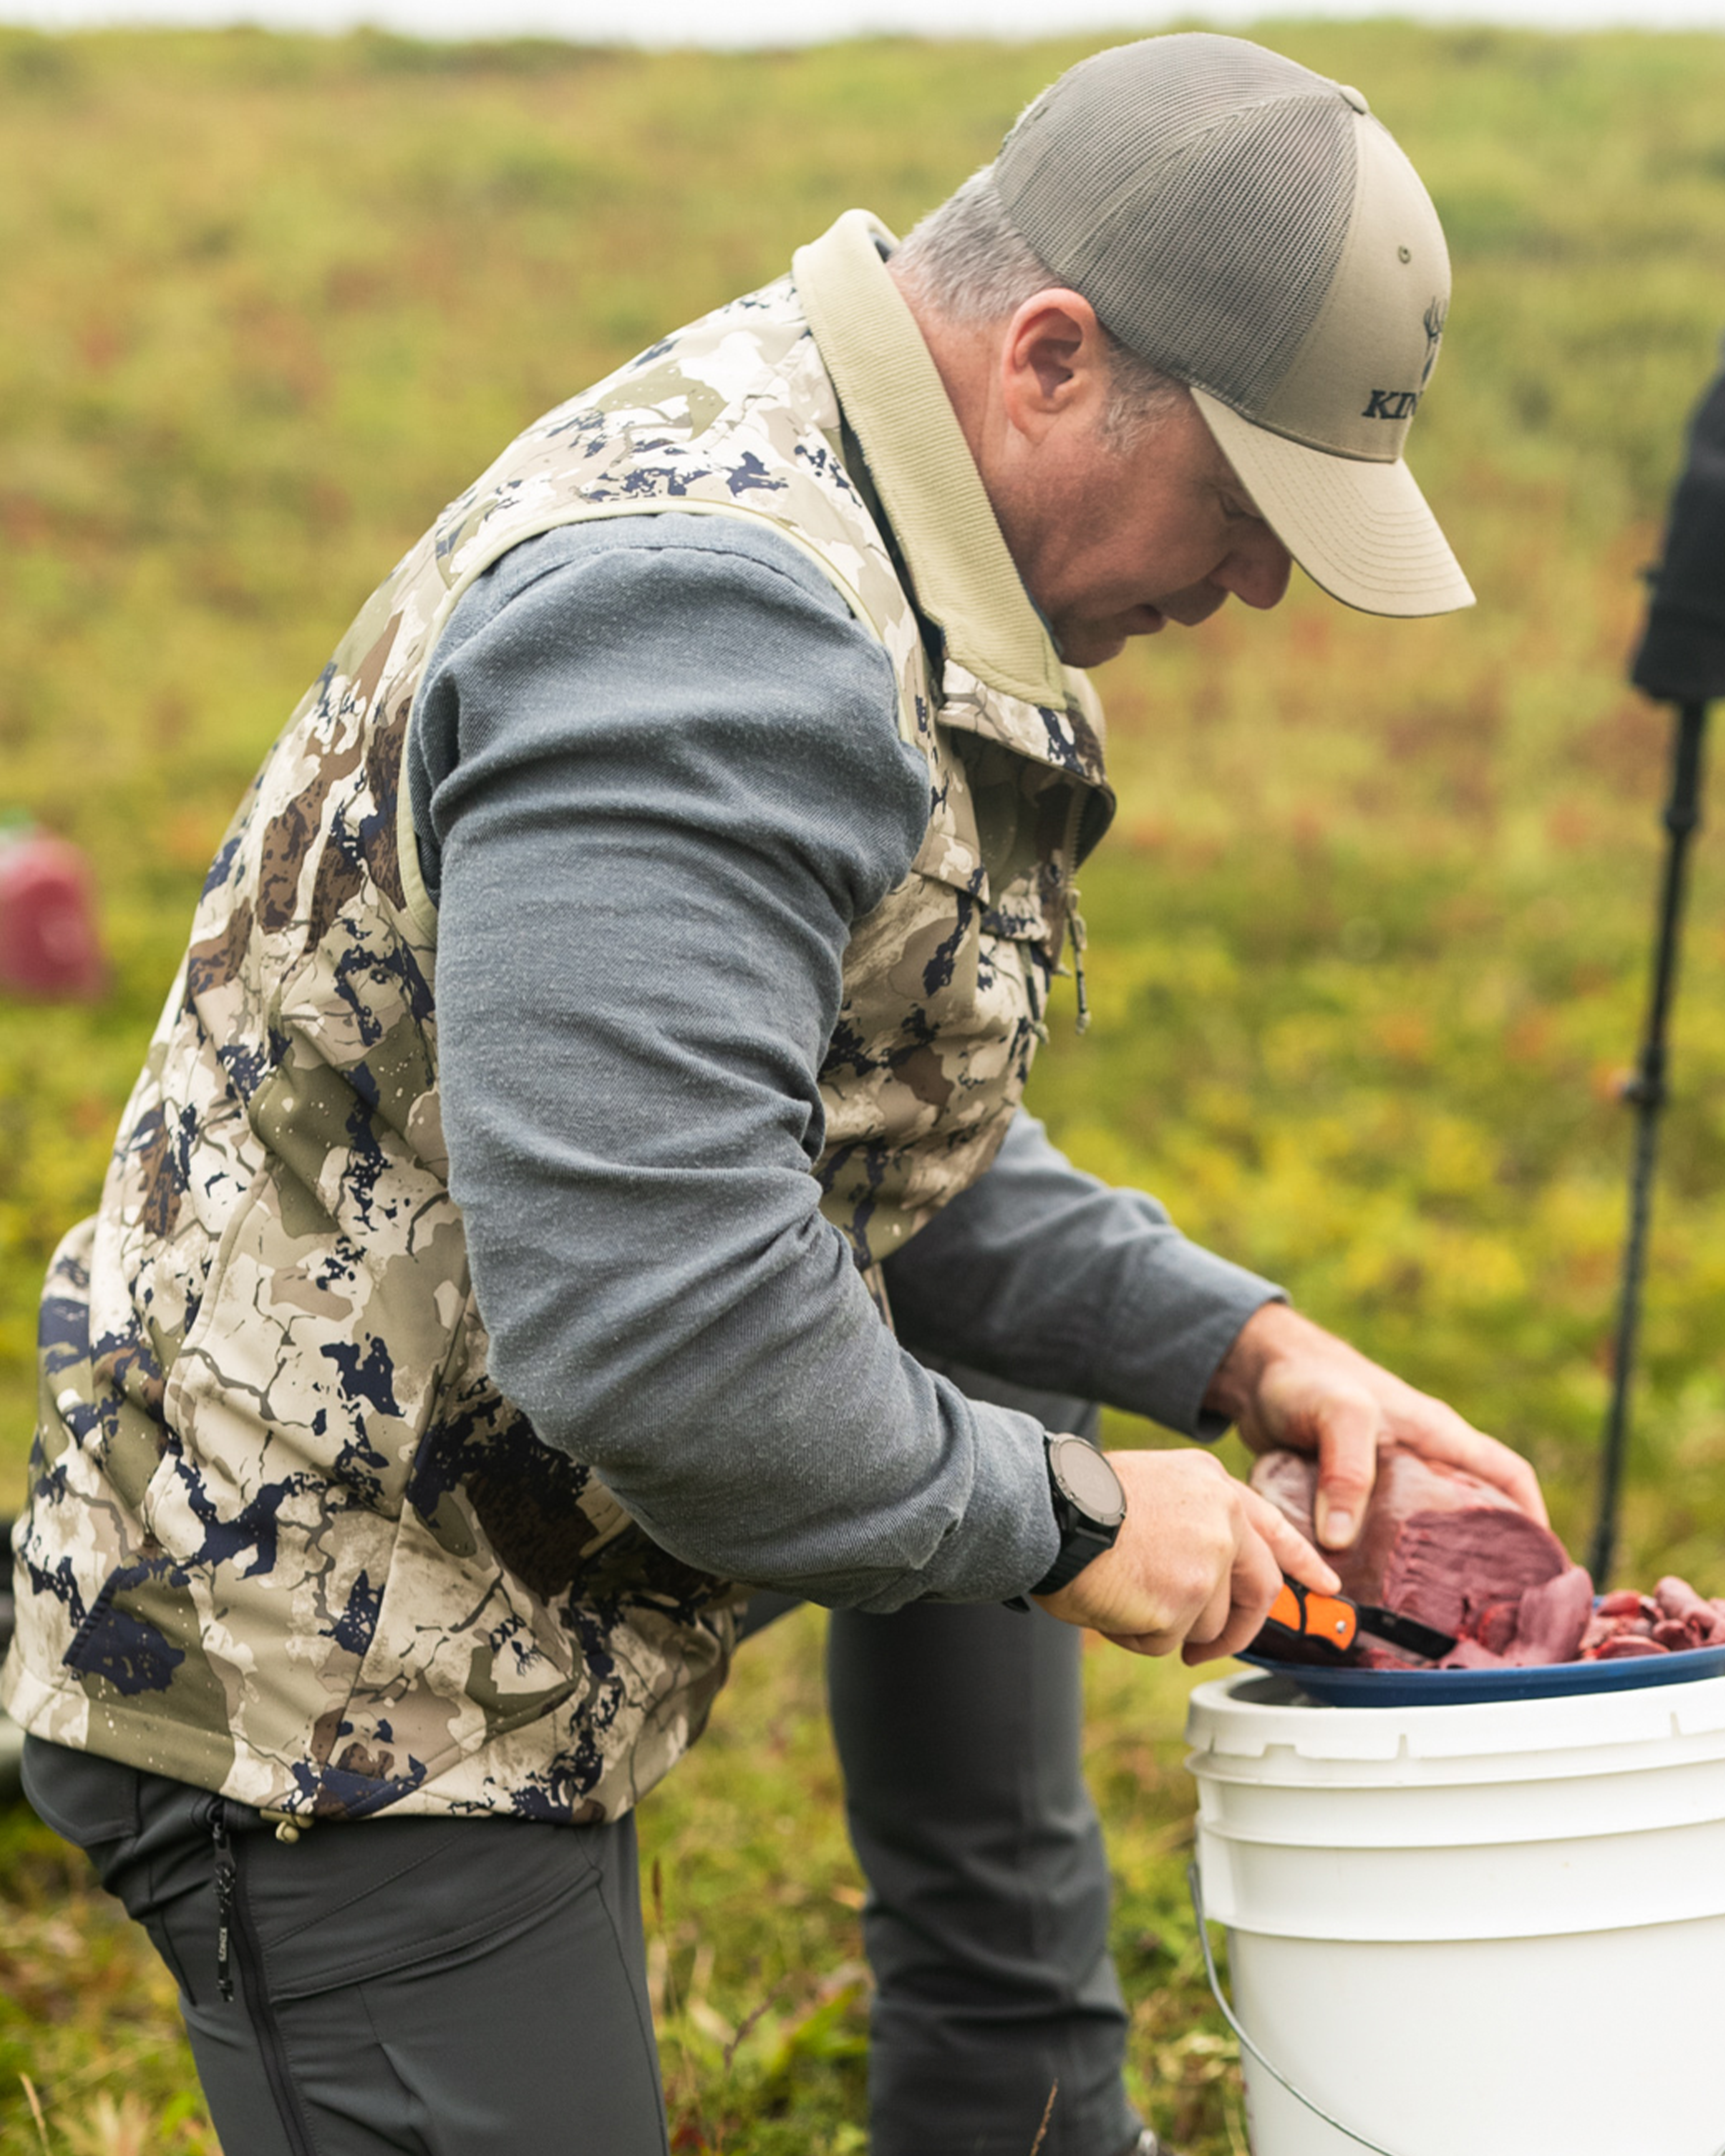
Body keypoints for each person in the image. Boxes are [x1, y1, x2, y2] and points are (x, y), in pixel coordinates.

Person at [3, 32, 1546, 2156]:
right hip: (330, 1666)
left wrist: (1241, 1346)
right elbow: (666, 1316)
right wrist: (1083, 1519)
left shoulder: (885, 502)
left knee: (1017, 1384)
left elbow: (825, 1120)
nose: (1261, 580)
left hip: (506, 1519)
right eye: (1244, 502)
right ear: (1054, 359)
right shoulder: (710, 624)